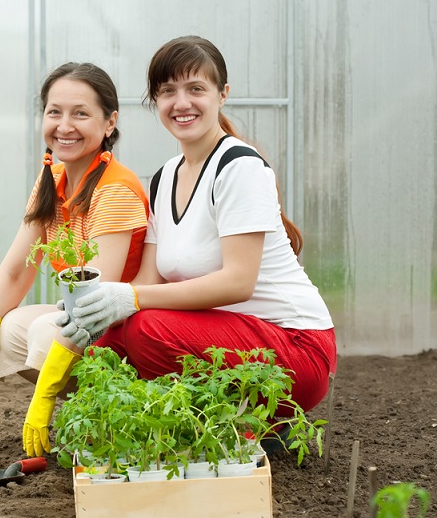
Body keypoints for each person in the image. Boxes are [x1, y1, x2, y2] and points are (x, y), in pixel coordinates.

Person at [62, 36, 337, 417]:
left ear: (222, 94)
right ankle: (174, 428)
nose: (182, 103)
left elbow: (237, 282)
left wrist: (131, 301)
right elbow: (149, 280)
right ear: (155, 101)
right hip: (233, 338)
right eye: (168, 91)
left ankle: (235, 428)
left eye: (196, 89)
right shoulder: (164, 178)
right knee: (104, 347)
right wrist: (94, 311)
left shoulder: (238, 167)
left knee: (146, 330)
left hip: (295, 348)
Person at [0, 62, 149, 457]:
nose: (64, 125)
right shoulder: (51, 179)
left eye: (81, 113)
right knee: (12, 329)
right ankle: (93, 409)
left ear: (110, 123)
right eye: (55, 112)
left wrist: (45, 395)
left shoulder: (116, 189)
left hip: (126, 323)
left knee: (42, 333)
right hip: (90, 323)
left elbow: (94, 303)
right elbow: (16, 270)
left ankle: (116, 408)